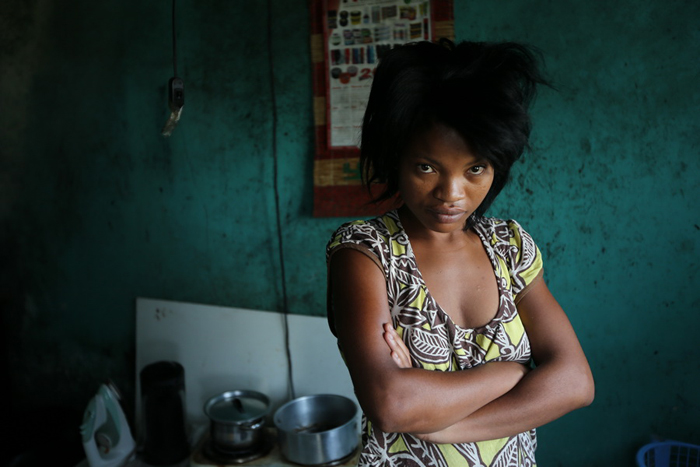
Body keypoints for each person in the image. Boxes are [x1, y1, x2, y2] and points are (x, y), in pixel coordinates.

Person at [325, 39, 594, 467]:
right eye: (426, 167)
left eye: (475, 169)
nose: (451, 194)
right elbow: (392, 403)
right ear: (397, 157)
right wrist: (510, 373)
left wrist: (440, 427)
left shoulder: (509, 248)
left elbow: (575, 382)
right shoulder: (366, 253)